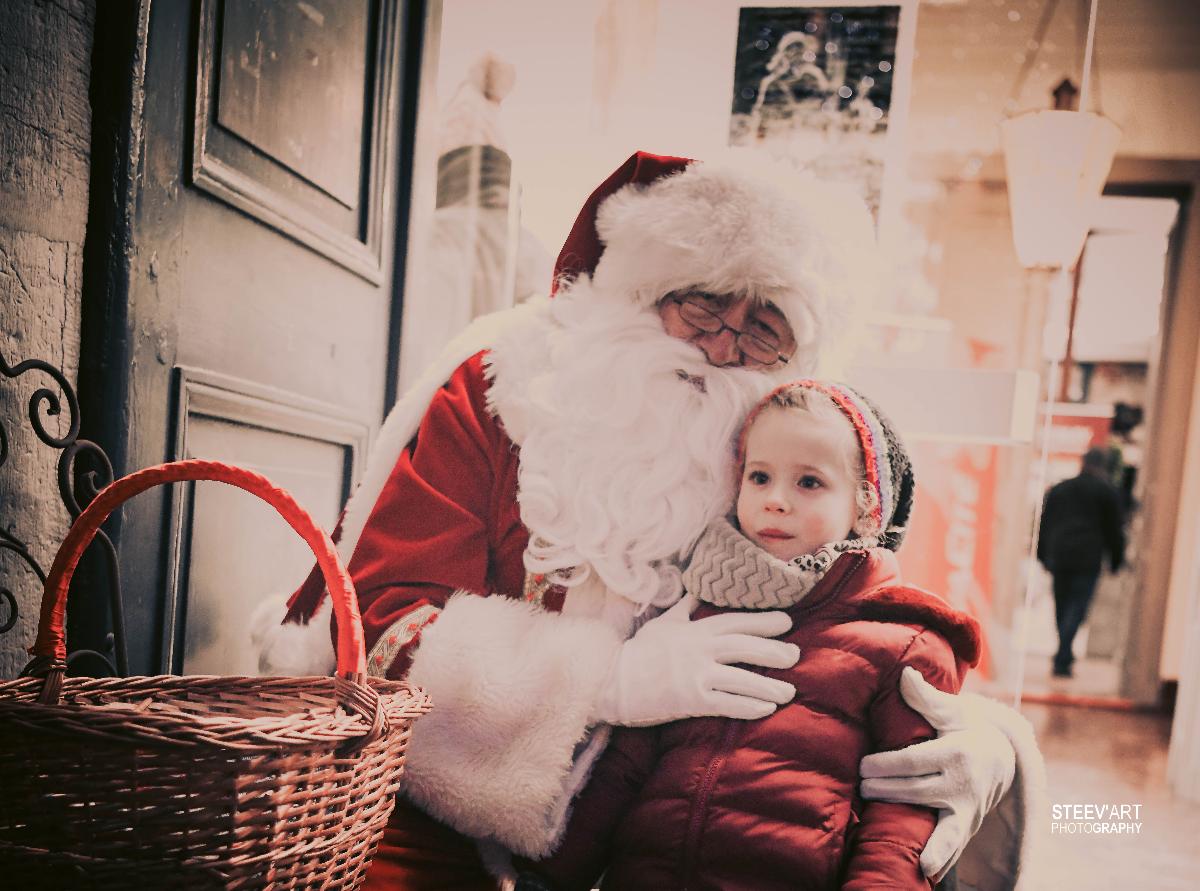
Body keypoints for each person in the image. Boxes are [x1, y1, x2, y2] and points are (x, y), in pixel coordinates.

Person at [259, 152, 1041, 889]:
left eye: (766, 324)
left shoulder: (790, 451)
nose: (727, 343)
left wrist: (982, 745)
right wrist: (606, 683)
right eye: (703, 301)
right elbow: (379, 627)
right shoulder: (507, 392)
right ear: (639, 292)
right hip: (425, 817)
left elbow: (860, 631)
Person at [511, 379, 982, 890]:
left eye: (809, 483)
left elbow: (903, 815)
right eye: (760, 477)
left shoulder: (902, 640)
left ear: (865, 510)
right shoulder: (695, 611)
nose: (776, 500)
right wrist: (550, 873)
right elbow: (627, 763)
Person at [1037, 446, 1126, 678]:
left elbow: (1044, 524)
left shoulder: (1060, 489)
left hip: (1061, 555)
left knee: (1061, 606)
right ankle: (1063, 655)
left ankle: (1063, 653)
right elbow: (1114, 531)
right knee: (1077, 608)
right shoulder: (1107, 492)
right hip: (1088, 557)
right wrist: (1116, 559)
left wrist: (1042, 554)